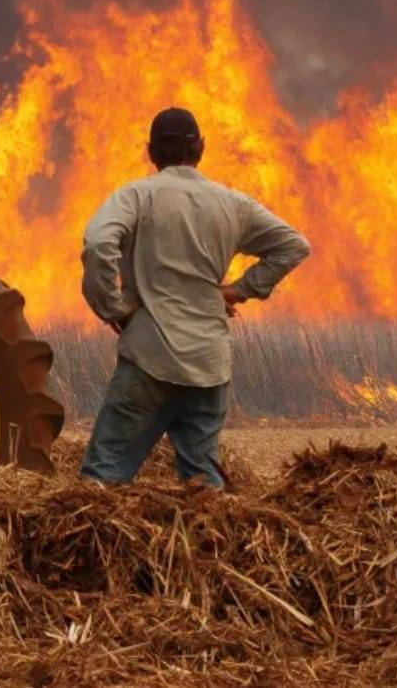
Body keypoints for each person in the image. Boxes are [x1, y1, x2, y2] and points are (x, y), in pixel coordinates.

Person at [79, 107, 310, 486]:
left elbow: (99, 242)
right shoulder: (233, 204)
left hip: (149, 359)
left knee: (101, 481)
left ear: (151, 152)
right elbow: (294, 246)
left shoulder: (136, 196)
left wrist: (112, 307)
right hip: (208, 365)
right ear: (200, 148)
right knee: (204, 490)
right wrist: (239, 289)